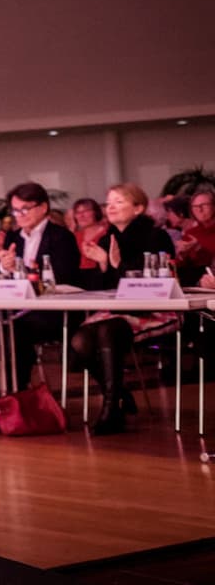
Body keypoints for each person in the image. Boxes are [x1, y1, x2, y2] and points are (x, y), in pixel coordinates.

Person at [76, 183, 177, 434]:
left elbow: (157, 279)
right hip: (118, 308)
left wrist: (117, 264)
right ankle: (119, 393)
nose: (111, 207)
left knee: (107, 330)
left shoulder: (156, 236)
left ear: (138, 208)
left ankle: (112, 409)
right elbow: (103, 288)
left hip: (153, 309)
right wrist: (102, 263)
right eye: (108, 202)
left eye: (119, 201)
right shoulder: (107, 238)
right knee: (79, 340)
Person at [0, 182, 84, 391]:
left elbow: (62, 276)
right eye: (16, 210)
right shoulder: (13, 237)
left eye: (25, 209)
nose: (20, 215)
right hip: (18, 309)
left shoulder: (61, 236)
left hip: (52, 311)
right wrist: (3, 266)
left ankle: (16, 391)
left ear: (43, 208)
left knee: (12, 329)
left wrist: (22, 268)